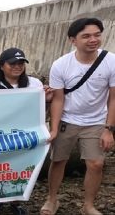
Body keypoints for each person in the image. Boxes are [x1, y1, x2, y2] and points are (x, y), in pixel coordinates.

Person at [41, 18, 115, 215]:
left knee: (96, 163)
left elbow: (113, 98)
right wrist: (54, 128)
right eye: (86, 36)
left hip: (97, 121)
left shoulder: (111, 61)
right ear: (73, 40)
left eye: (97, 35)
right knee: (58, 160)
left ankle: (88, 205)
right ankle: (52, 199)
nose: (93, 40)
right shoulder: (61, 65)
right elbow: (57, 99)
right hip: (67, 119)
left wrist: (109, 129)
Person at [0, 47, 45, 215]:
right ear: (2, 66)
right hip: (1, 136)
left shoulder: (34, 84)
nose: (17, 66)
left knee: (22, 168)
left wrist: (46, 97)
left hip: (27, 135)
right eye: (12, 63)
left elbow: (41, 107)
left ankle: (16, 201)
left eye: (21, 63)